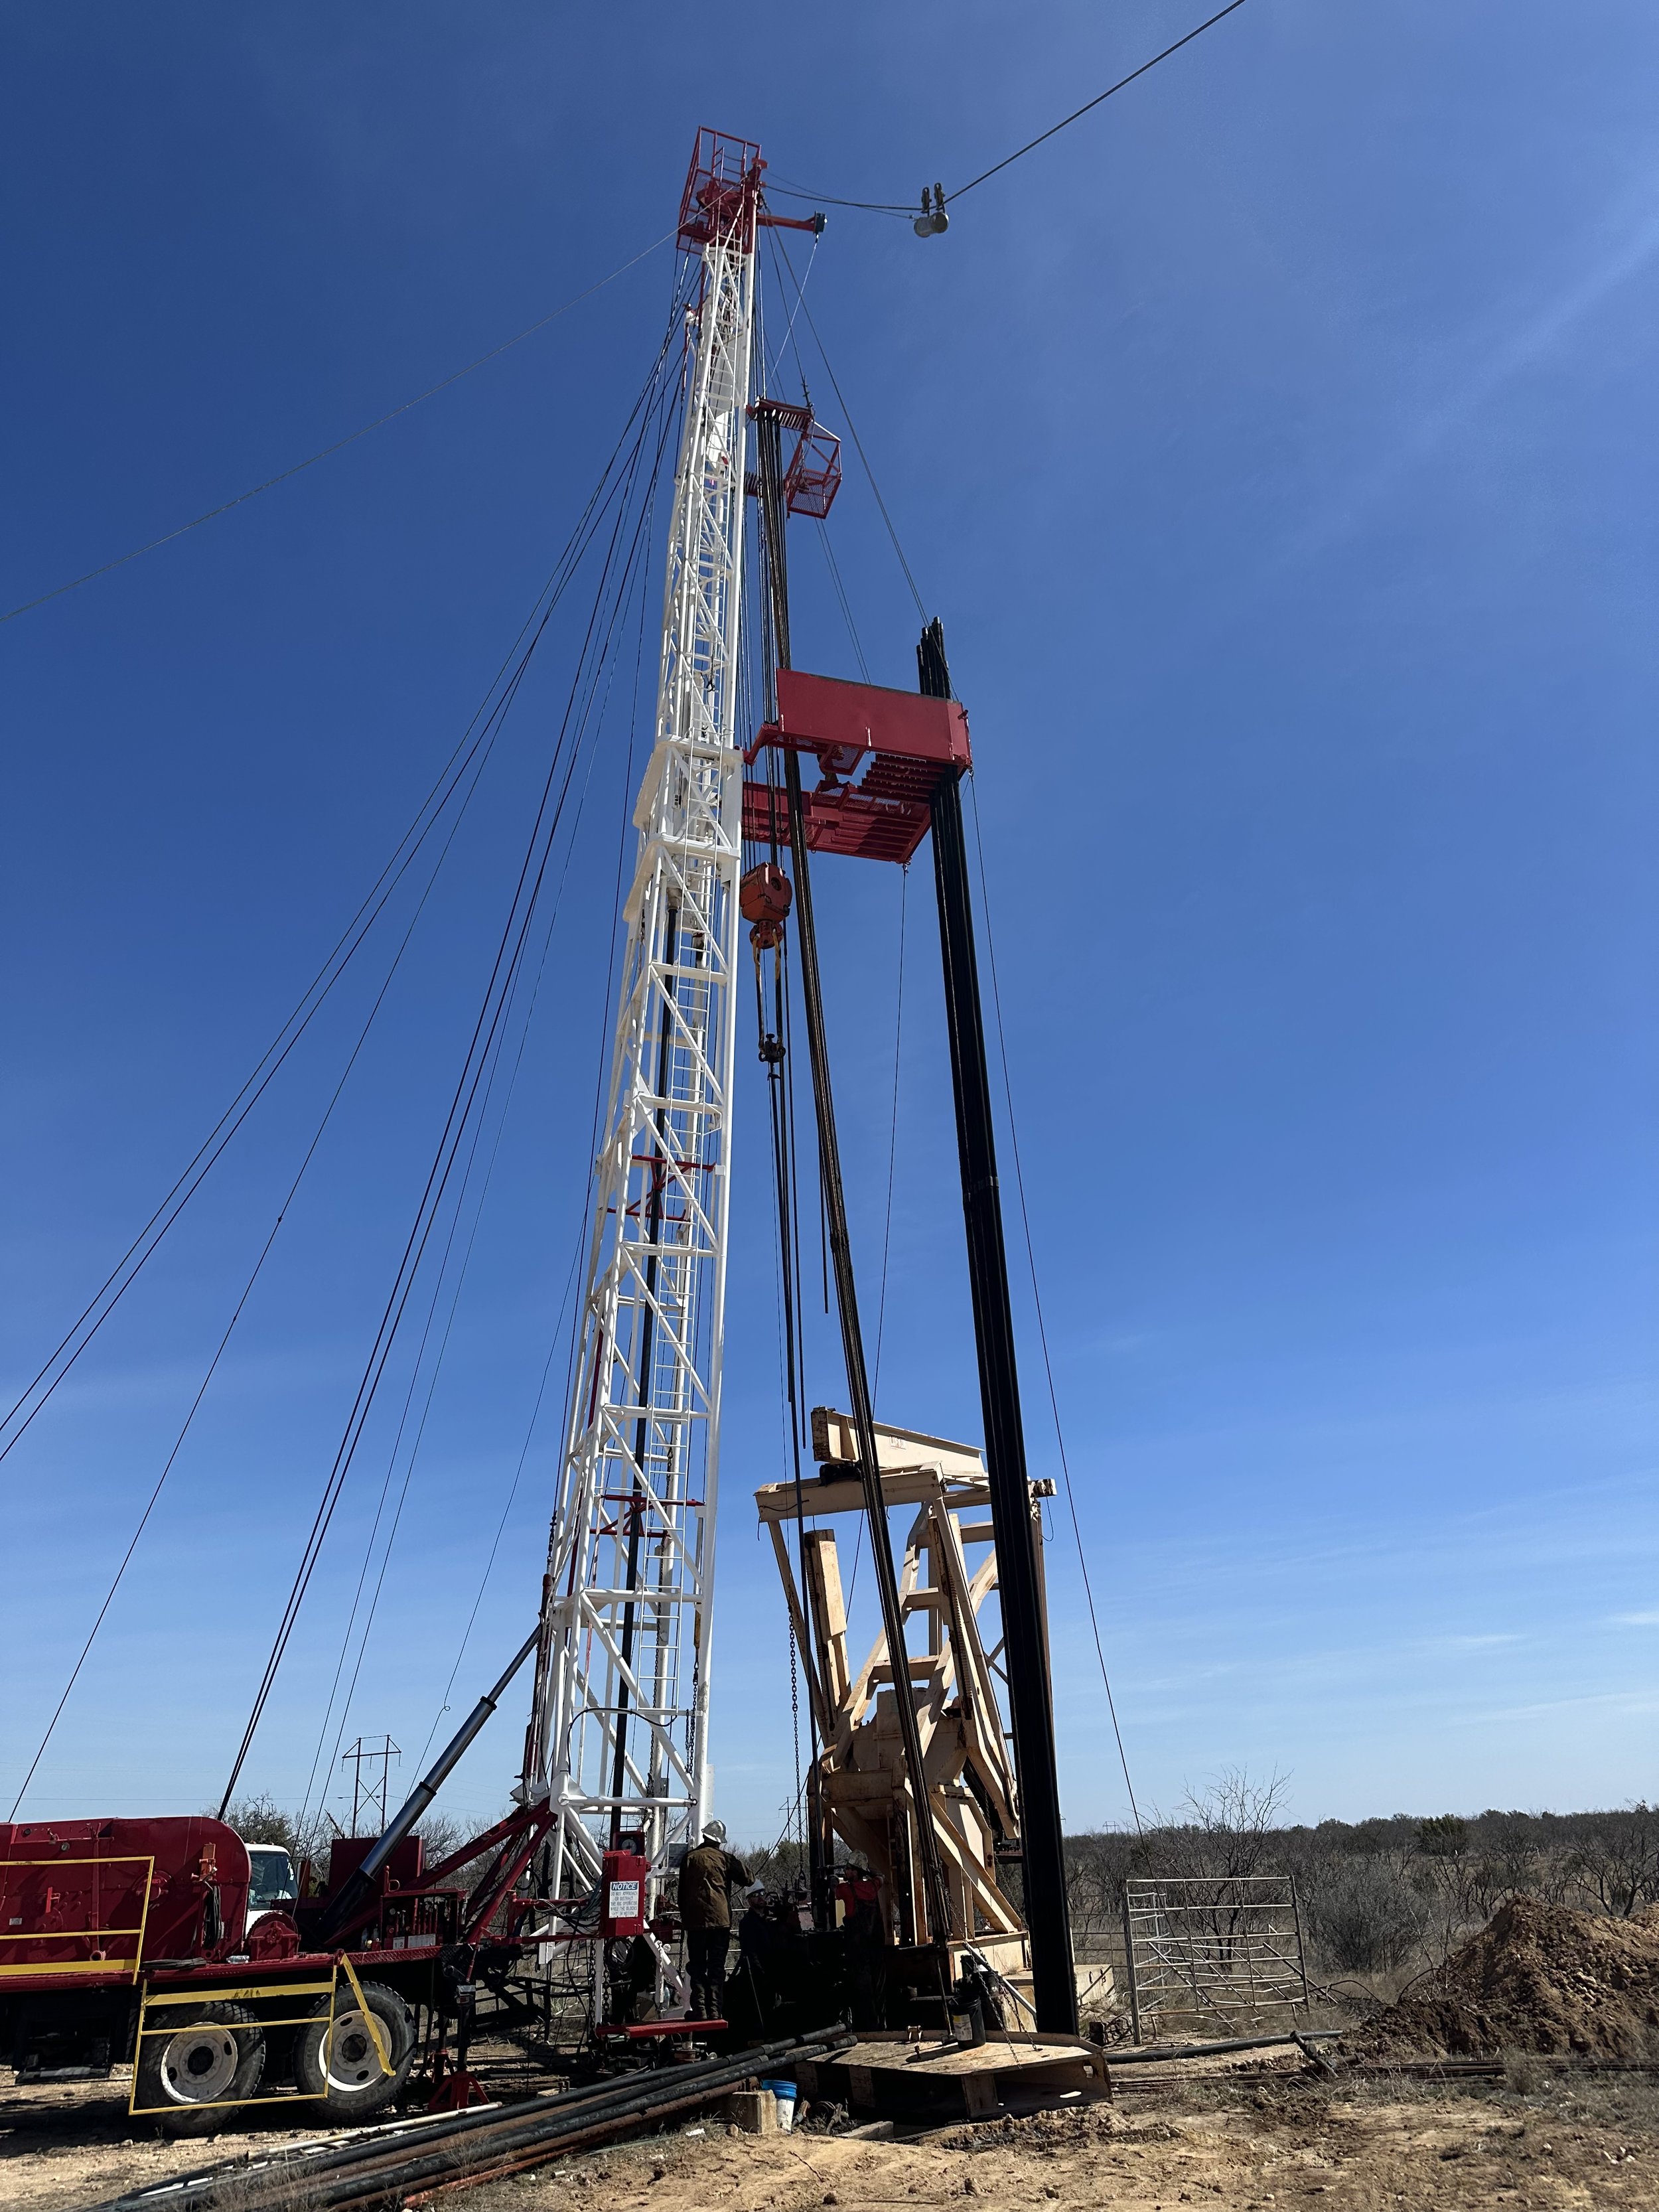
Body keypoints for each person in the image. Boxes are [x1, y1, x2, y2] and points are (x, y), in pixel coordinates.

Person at [677, 1818, 750, 2020]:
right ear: (719, 1841)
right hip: (720, 1922)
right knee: (716, 1966)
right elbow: (748, 1878)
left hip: (695, 1922)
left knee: (698, 1965)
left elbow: (682, 1893)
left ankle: (700, 2010)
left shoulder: (689, 1858)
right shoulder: (724, 1859)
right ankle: (716, 2010)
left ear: (704, 1836)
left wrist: (686, 1919)